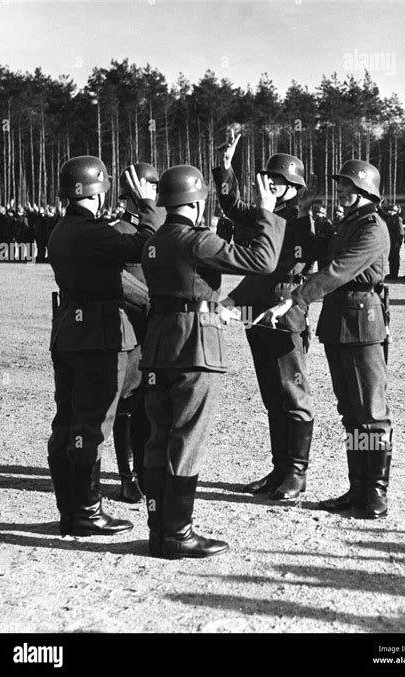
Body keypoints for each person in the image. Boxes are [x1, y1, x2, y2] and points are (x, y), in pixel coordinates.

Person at [140, 164, 286, 559]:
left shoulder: (154, 240)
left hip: (158, 347)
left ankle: (159, 528)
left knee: (159, 437)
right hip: (194, 347)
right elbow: (263, 260)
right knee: (186, 438)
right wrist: (267, 211)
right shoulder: (196, 240)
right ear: (198, 200)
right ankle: (178, 534)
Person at [255, 159, 394, 520]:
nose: (341, 192)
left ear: (365, 191)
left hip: (363, 324)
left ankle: (375, 492)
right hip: (338, 323)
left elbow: (337, 271)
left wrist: (296, 297)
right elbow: (314, 249)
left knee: (371, 414)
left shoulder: (372, 228)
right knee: (350, 413)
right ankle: (357, 487)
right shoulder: (345, 225)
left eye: (347, 187)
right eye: (341, 186)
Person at [47, 155, 159, 537]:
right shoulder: (95, 232)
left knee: (67, 423)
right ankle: (87, 512)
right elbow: (147, 246)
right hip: (100, 336)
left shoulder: (61, 230)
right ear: (99, 190)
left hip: (68, 333)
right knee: (93, 425)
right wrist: (147, 205)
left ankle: (71, 509)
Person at [213, 137, 329, 501]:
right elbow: (232, 207)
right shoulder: (268, 215)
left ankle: (296, 473)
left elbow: (284, 270)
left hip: (286, 315)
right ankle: (279, 468)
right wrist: (226, 168)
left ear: (294, 188)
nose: (267, 185)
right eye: (265, 179)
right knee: (272, 396)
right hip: (258, 316)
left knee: (293, 395)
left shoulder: (302, 223)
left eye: (275, 181)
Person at [109, 162, 165, 502]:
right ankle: (128, 476)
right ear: (128, 197)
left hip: (156, 329)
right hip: (128, 327)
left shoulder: (158, 229)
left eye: (156, 190)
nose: (153, 196)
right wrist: (149, 301)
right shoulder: (115, 231)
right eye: (146, 190)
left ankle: (147, 471)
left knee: (151, 400)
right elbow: (115, 276)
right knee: (127, 402)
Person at [385, 205, 404, 280]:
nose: (388, 212)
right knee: (391, 258)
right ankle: (391, 273)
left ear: (394, 211)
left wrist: (398, 242)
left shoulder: (398, 218)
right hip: (390, 241)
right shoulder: (389, 218)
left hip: (395, 241)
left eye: (390, 210)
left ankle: (395, 274)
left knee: (395, 258)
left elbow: (400, 232)